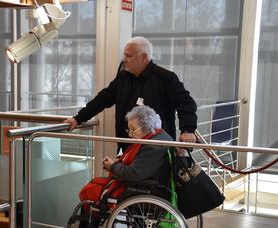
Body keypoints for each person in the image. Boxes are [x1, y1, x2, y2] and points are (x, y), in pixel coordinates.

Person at [58, 105, 173, 228]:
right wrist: (115, 163)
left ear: (146, 126)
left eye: (133, 130)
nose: (130, 135)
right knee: (94, 184)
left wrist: (113, 166)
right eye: (129, 130)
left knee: (89, 192)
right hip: (147, 185)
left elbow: (134, 173)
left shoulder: (152, 146)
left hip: (137, 188)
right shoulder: (159, 136)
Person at [64, 36, 197, 152]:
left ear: (144, 58)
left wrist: (188, 130)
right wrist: (78, 118)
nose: (124, 59)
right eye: (124, 55)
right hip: (126, 147)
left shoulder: (165, 78)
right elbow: (102, 99)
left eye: (128, 56)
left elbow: (186, 103)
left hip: (156, 151)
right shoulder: (123, 78)